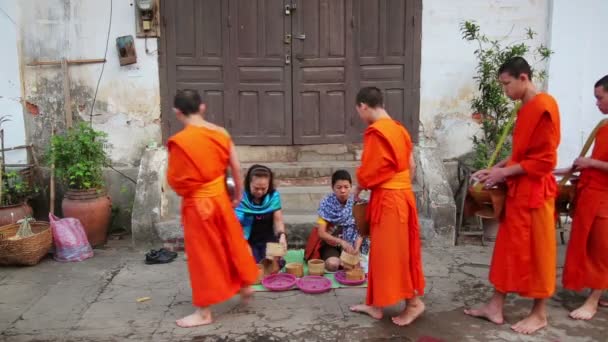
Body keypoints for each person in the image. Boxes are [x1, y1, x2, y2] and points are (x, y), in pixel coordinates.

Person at [465, 57, 561, 335]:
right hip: (519, 194)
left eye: (507, 84)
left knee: (538, 253)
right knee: (507, 251)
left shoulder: (544, 106)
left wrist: (504, 174)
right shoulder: (524, 108)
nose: (505, 91)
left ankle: (540, 313)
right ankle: (495, 306)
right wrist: (497, 168)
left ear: (523, 78)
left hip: (536, 195)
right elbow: (522, 153)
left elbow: (545, 162)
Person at [166, 89, 258, 328]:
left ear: (177, 112)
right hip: (220, 198)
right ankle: (245, 285)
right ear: (202, 107)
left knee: (203, 256)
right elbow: (236, 168)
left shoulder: (180, 142)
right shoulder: (221, 133)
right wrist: (238, 195)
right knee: (231, 242)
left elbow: (176, 181)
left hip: (199, 205)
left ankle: (204, 312)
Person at [349, 86, 426, 326]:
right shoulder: (400, 130)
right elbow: (410, 166)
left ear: (363, 106)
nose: (360, 117)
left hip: (390, 200)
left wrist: (359, 186)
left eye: (359, 111)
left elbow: (372, 170)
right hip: (400, 195)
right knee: (382, 254)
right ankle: (375, 304)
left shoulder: (377, 132)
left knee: (395, 255)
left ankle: (414, 303)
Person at [560, 75, 608, 320]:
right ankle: (596, 293)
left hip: (605, 199)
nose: (597, 103)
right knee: (589, 248)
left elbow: (599, 163)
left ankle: (593, 300)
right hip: (591, 194)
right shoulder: (604, 127)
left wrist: (590, 162)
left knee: (602, 251)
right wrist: (575, 169)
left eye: (600, 98)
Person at [316, 170, 370, 271]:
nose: (343, 191)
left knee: (356, 265)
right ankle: (341, 261)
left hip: (353, 245)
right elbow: (321, 233)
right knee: (332, 265)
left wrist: (357, 248)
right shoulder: (326, 204)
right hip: (332, 243)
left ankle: (347, 262)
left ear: (351, 187)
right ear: (332, 188)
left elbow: (362, 232)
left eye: (346, 187)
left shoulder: (357, 203)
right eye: (339, 187)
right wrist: (341, 242)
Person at [235, 164, 287, 266]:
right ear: (248, 183)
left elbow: (278, 221)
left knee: (275, 263)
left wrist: (282, 236)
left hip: (267, 239)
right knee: (252, 265)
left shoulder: (273, 197)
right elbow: (236, 225)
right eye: (256, 188)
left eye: (263, 188)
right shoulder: (241, 197)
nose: (259, 192)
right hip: (247, 239)